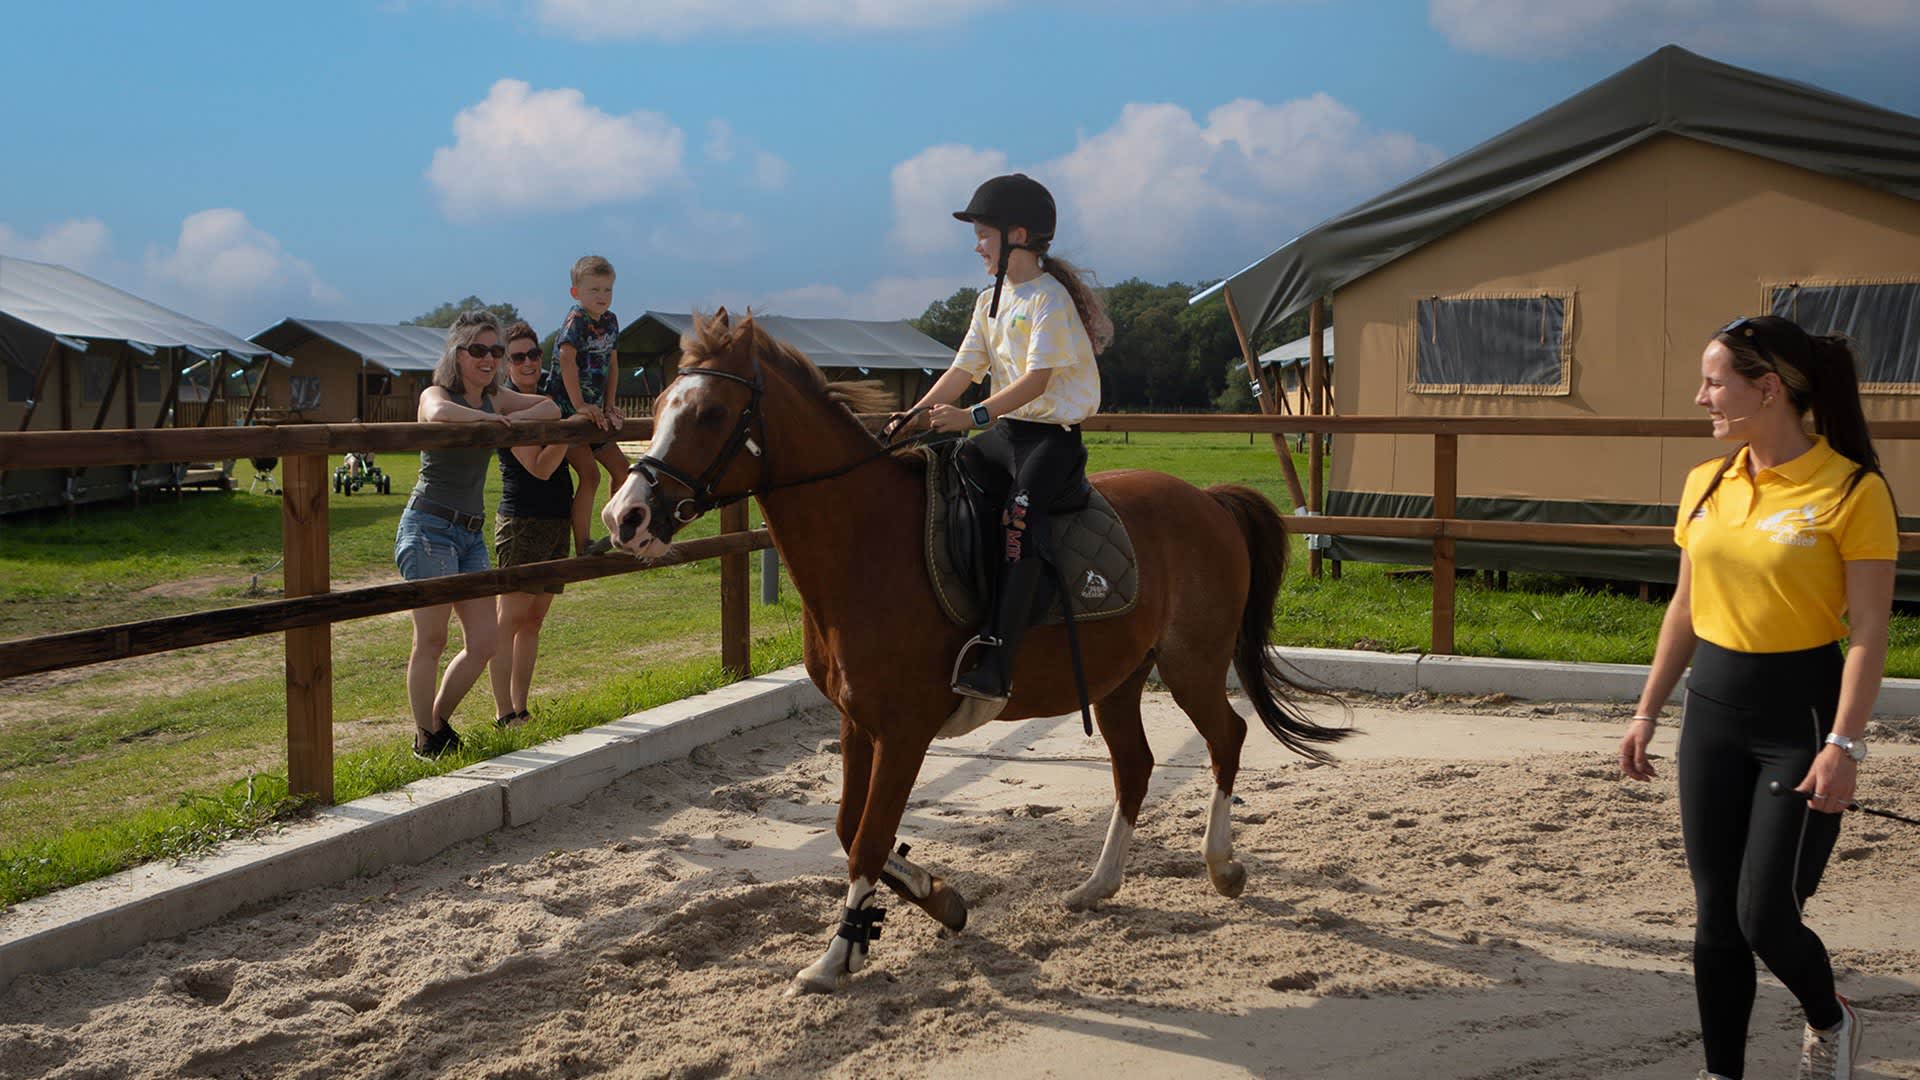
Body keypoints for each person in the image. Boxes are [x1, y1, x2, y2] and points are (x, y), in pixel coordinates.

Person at [1618, 315, 1896, 1080]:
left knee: (1764, 917)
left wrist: (1844, 745)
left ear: (1767, 390)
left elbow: (1869, 633)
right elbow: (1683, 605)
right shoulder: (1705, 482)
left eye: (1715, 382)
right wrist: (1647, 710)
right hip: (1711, 712)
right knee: (1714, 918)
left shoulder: (1851, 488)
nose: (1700, 396)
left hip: (1798, 721)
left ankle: (1831, 1018)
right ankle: (1722, 1073)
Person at [889, 173, 1112, 705]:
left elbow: (1035, 383)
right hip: (1003, 433)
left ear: (1017, 235)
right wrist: (915, 415)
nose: (977, 245)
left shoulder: (1048, 301)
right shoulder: (990, 298)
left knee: (1019, 515)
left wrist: (971, 419)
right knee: (941, 488)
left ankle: (999, 657)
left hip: (1047, 441)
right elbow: (964, 367)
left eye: (984, 234)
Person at [397, 310, 559, 759]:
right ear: (457, 354)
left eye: (495, 351)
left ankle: (434, 724)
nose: (488, 359)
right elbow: (437, 414)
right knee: (430, 640)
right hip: (429, 526)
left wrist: (510, 416)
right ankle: (425, 740)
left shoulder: (496, 397)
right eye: (477, 350)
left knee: (485, 643)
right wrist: (489, 424)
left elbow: (550, 407)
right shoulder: (439, 392)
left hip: (470, 534)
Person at [488, 321, 573, 728]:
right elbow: (538, 467)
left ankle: (522, 707)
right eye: (518, 356)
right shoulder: (505, 407)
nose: (527, 363)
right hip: (521, 521)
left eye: (533, 354)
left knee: (534, 621)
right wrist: (567, 434)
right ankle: (503, 712)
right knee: (509, 621)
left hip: (558, 520)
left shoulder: (550, 397)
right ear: (506, 364)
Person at [547, 254, 628, 555]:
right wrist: (579, 404)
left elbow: (613, 363)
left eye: (607, 290)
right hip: (569, 413)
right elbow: (567, 361)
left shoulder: (611, 321)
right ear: (576, 292)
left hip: (596, 412)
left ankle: (615, 534)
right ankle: (583, 544)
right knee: (591, 475)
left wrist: (609, 404)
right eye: (594, 290)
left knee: (623, 470)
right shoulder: (576, 321)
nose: (602, 297)